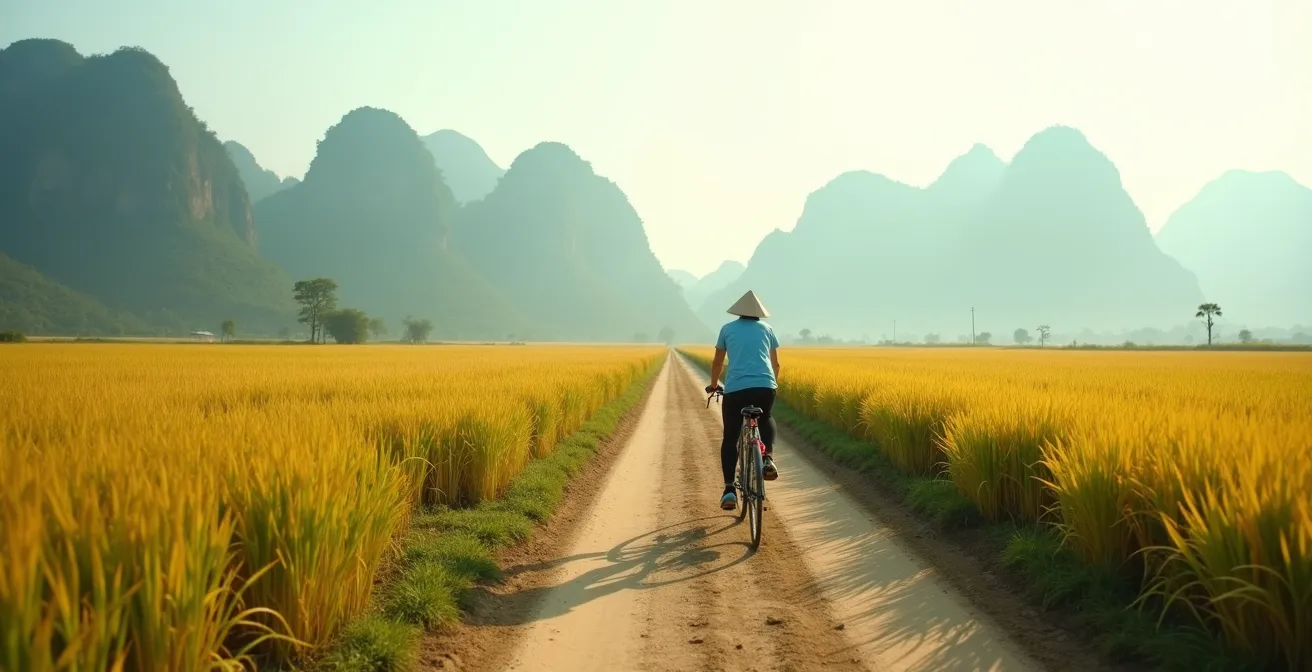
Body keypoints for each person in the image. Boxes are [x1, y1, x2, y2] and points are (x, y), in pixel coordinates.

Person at [705, 290, 780, 511]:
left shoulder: (727, 329)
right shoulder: (768, 329)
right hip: (765, 386)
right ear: (759, 313)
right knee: (765, 417)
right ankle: (767, 458)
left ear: (739, 312)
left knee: (730, 437)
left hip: (736, 389)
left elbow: (717, 362)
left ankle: (729, 490)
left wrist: (714, 384)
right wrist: (771, 385)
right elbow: (775, 364)